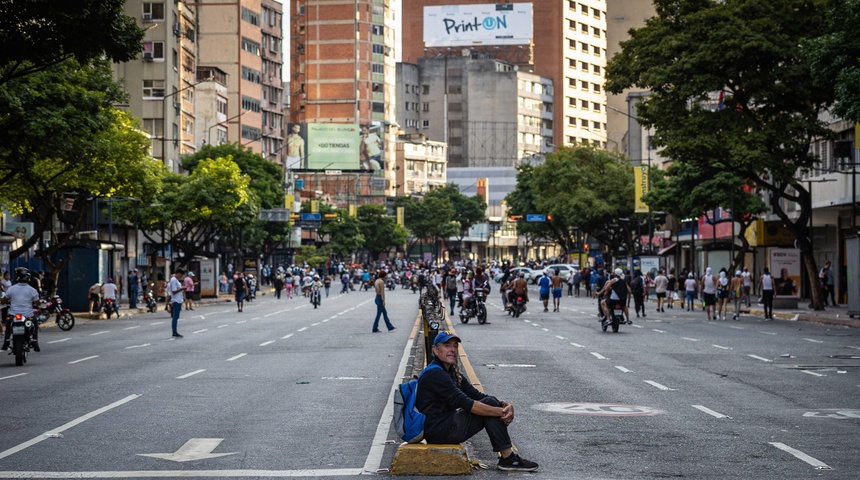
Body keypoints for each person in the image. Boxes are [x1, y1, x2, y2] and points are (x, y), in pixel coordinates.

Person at [416, 331, 539, 472]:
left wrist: (505, 404)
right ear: (436, 350)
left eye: (455, 346)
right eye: (447, 345)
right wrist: (501, 412)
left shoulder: (450, 371)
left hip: (446, 425)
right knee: (490, 405)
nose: (452, 350)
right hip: (439, 431)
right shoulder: (436, 374)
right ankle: (508, 458)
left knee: (490, 401)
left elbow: (477, 395)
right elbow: (468, 404)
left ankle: (508, 458)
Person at [1, 268, 42, 352]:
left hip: (13, 315)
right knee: (35, 323)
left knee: (8, 323)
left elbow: (5, 300)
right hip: (28, 315)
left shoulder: (11, 289)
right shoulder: (32, 290)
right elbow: (37, 303)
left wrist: (2, 300)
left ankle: (6, 341)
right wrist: (40, 302)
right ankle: (34, 340)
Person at [167, 268, 186, 337]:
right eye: (181, 275)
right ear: (178, 273)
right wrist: (181, 288)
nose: (181, 277)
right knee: (175, 316)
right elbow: (174, 291)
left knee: (176, 316)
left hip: (178, 299)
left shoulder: (175, 280)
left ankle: (175, 331)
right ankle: (174, 331)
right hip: (176, 300)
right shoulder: (174, 280)